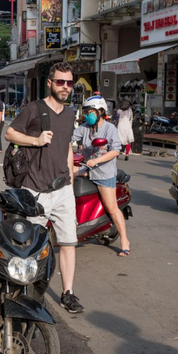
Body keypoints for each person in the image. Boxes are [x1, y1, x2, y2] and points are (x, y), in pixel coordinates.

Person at [5, 62, 84, 314]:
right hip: (35, 189)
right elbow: (10, 133)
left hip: (62, 189)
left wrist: (70, 177)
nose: (65, 87)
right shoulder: (34, 109)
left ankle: (68, 293)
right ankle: (29, 291)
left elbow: (67, 147)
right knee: (31, 245)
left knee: (68, 242)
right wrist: (35, 140)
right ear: (49, 83)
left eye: (69, 83)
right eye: (60, 82)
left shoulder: (71, 114)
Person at [73, 96, 129, 257]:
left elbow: (115, 150)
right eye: (86, 112)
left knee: (112, 208)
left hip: (104, 173)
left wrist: (97, 160)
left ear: (99, 112)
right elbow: (69, 139)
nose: (87, 115)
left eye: (90, 112)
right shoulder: (84, 127)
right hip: (86, 168)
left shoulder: (109, 128)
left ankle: (125, 240)